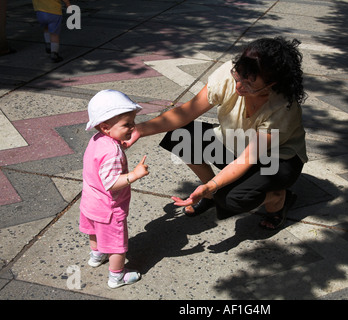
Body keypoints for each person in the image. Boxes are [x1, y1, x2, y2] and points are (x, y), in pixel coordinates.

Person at [125, 37, 307, 231]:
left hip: (276, 160)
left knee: (231, 199)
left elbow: (247, 158)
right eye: (238, 76)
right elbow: (186, 112)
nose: (239, 86)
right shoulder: (231, 73)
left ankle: (279, 199)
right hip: (235, 144)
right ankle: (209, 196)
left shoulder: (282, 107)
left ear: (271, 84)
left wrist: (213, 185)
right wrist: (138, 130)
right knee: (180, 135)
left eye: (250, 84)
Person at [80, 89, 149, 288]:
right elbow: (111, 183)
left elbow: (99, 163)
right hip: (109, 208)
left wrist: (119, 145)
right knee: (118, 245)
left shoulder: (98, 140)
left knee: (93, 231)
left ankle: (96, 255)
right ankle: (116, 277)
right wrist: (134, 175)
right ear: (105, 126)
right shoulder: (112, 153)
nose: (132, 127)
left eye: (133, 122)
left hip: (90, 202)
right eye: (127, 124)